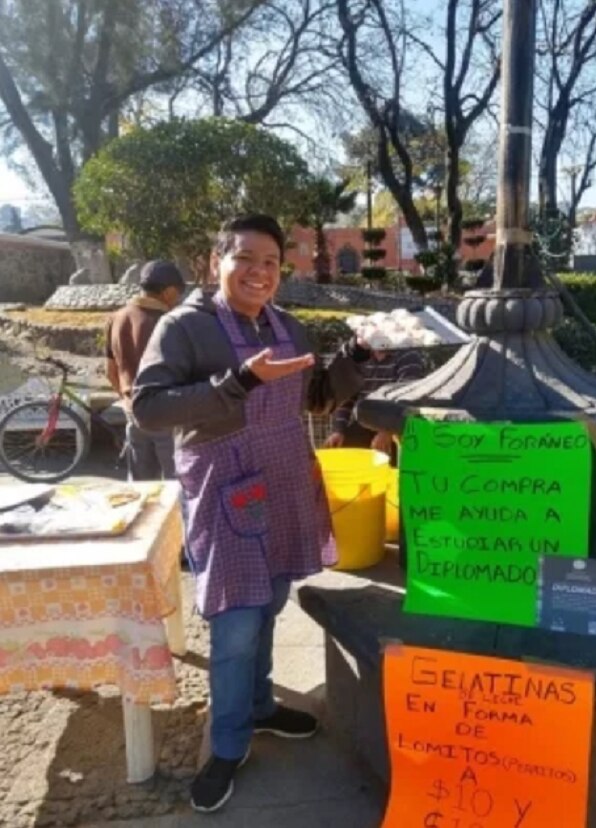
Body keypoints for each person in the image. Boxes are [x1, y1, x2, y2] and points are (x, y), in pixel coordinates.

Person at [131, 214, 368, 813]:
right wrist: (236, 381)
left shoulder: (287, 327)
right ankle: (229, 743)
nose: (260, 273)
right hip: (224, 487)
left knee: (272, 600)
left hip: (286, 483)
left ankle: (261, 707)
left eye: (271, 263)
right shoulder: (187, 327)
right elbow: (149, 408)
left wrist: (355, 356)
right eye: (246, 259)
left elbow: (313, 397)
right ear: (216, 263)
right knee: (235, 622)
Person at [105, 260, 185, 480]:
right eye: (177, 294)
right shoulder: (169, 322)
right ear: (168, 292)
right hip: (166, 416)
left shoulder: (116, 317)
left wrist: (126, 401)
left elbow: (110, 371)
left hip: (134, 412)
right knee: (176, 490)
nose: (178, 300)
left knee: (141, 490)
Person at [324, 346, 428, 457]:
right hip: (365, 422)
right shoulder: (359, 356)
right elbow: (348, 397)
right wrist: (339, 430)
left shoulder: (408, 356)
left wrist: (388, 430)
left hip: (398, 425)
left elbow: (408, 397)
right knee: (342, 451)